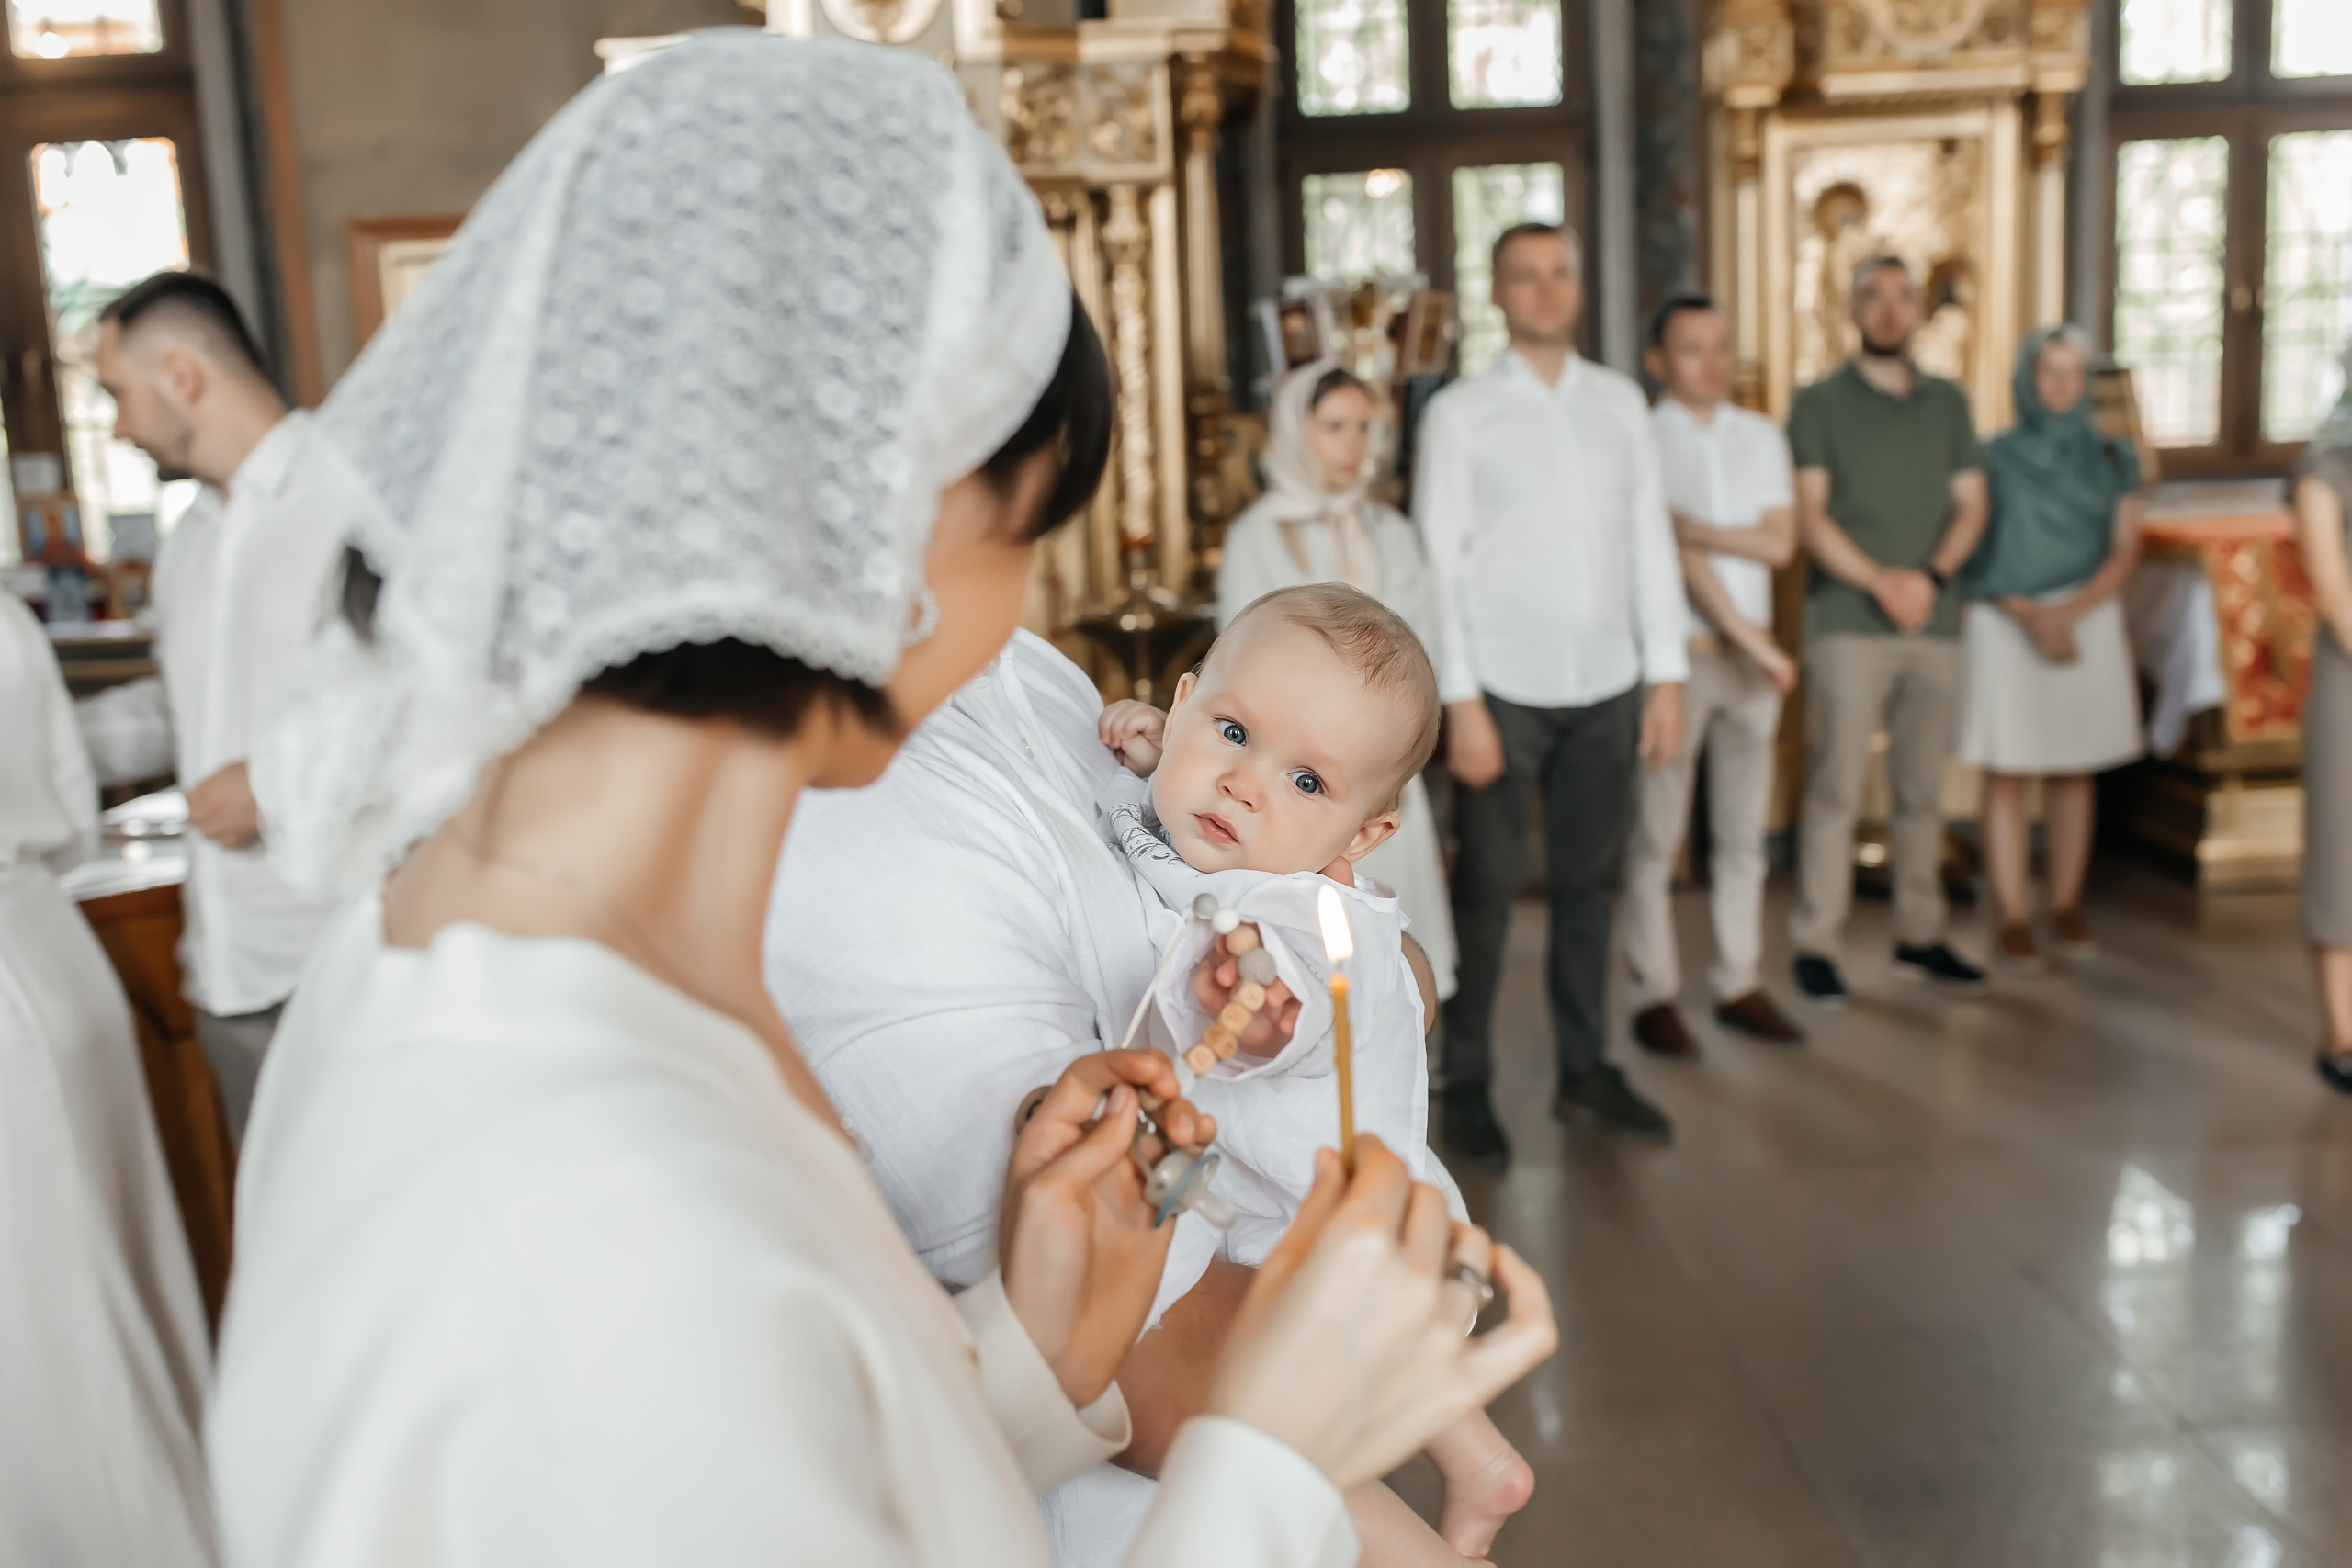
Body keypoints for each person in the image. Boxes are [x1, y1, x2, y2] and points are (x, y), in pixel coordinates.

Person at [209, 36, 1554, 1568]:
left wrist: (1028, 1353)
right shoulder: (560, 1186)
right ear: (887, 525)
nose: (1016, 630)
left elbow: (805, 1479)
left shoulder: (528, 948)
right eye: (1023, 536)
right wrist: (1263, 1450)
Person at [1098, 583, 1531, 1559]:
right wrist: (1149, 746)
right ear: (1185, 700)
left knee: (1262, 1402)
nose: (1247, 783)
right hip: (1329, 1202)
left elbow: (1291, 1003)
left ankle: (1461, 1476)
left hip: (1298, 1217)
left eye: (1307, 784)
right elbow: (1165, 803)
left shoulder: (1291, 909)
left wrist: (1257, 1022)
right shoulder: (1205, 801)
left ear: (1365, 840)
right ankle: (1478, 1460)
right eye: (1233, 729)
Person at [1416, 220, 1689, 1165]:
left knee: (1589, 888)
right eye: (1523, 277)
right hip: (1501, 689)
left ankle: (1585, 1070)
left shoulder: (1621, 406)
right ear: (1496, 293)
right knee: (1485, 894)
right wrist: (1460, 702)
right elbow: (1436, 563)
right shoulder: (1457, 415)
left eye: (1557, 274)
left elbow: (1648, 543)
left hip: (1609, 682)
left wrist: (1666, 674)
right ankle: (1468, 1081)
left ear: (1578, 287)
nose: (1542, 290)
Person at [73, 270, 343, 1143]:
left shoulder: (352, 502)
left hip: (340, 958)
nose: (117, 425)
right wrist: (42, 740)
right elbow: (184, 704)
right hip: (223, 966)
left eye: (120, 394)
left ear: (183, 375)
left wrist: (276, 783)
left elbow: (437, 700)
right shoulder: (189, 542)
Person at [0, 592, 216, 1568]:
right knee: (112, 1270)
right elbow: (71, 797)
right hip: (50, 943)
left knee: (45, 1313)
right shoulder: (4, 614)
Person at [1216, 362, 1459, 1001]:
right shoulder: (1254, 536)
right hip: (1293, 772)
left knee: (1393, 949)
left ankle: (1402, 1044)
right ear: (1296, 431)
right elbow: (1243, 654)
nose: (1353, 445)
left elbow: (1419, 642)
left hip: (1378, 766)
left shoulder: (1392, 532)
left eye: (1363, 427)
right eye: (1333, 427)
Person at [1786, 254, 1991, 1008]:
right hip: (1847, 620)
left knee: (1921, 790)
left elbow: (1971, 503)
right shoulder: (1817, 403)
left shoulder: (1948, 402)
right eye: (1873, 297)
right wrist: (1881, 582)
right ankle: (1816, 941)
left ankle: (1920, 932)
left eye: (1902, 298)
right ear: (1853, 309)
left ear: (1916, 311)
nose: (1889, 310)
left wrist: (1928, 580)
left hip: (1933, 621)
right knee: (1835, 787)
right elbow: (1811, 514)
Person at [1619, 293, 1805, 1057]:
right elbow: (1682, 564)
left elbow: (1780, 545)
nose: (1712, 361)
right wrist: (1756, 643)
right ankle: (1651, 992)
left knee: (1742, 833)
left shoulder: (1761, 435)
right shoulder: (1640, 438)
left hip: (1753, 659)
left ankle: (1739, 981)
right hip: (1685, 660)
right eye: (1692, 348)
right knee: (1657, 836)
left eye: (1721, 345)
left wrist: (1691, 526)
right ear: (1658, 361)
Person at [1958, 325, 2143, 973]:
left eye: (2074, 372)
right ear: (2027, 379)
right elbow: (1975, 543)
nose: (2062, 385)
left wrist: (2066, 612)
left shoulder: (2115, 456)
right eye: (2049, 371)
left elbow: (2125, 550)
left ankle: (2065, 902)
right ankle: (2012, 911)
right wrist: (2032, 615)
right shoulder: (1990, 456)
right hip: (2007, 614)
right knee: (2007, 767)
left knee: (2074, 763)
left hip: (2085, 613)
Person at [2298, 352, 2352, 1094]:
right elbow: (2335, 595)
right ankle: (2343, 1032)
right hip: (2351, 681)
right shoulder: (2324, 467)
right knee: (2344, 856)